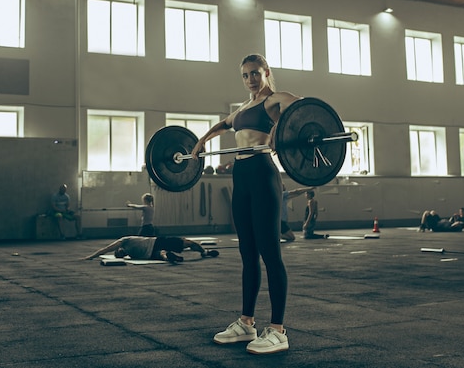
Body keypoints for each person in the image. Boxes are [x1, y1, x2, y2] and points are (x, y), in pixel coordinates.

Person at [191, 53, 301, 355]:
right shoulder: (243, 108)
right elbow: (223, 125)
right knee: (247, 252)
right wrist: (201, 143)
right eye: (245, 75)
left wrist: (279, 128)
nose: (251, 79)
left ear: (265, 73)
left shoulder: (273, 100)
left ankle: (278, 329)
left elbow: (302, 106)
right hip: (241, 175)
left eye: (255, 73)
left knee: (269, 251)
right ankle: (247, 322)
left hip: (263, 172)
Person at [82, 235, 219, 263]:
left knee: (186, 242)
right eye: (120, 255)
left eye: (118, 252)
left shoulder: (123, 241)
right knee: (162, 254)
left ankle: (204, 252)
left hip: (157, 241)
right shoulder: (131, 255)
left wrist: (91, 256)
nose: (119, 253)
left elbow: (105, 249)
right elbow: (107, 250)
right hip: (152, 252)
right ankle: (171, 257)